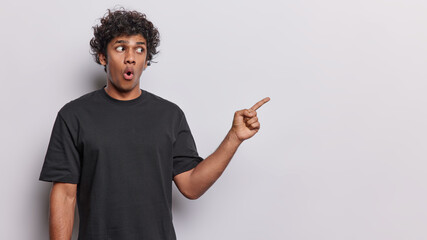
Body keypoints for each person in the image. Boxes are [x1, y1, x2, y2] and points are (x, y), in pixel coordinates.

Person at [38, 8, 270, 240]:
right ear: (102, 57)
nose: (131, 57)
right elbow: (65, 195)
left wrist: (234, 138)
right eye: (120, 48)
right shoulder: (74, 116)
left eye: (139, 49)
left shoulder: (169, 115)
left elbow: (191, 186)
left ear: (146, 60)